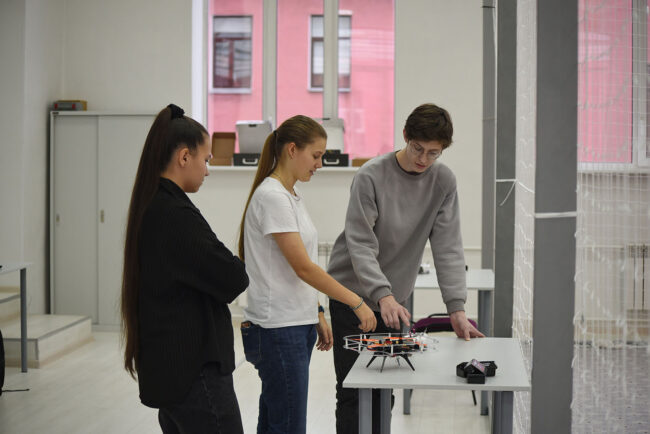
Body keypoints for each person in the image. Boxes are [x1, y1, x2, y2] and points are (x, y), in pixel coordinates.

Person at [327, 103, 485, 433]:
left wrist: (456, 309)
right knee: (354, 391)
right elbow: (361, 243)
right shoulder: (371, 176)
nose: (423, 159)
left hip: (393, 302)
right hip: (351, 295)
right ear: (405, 136)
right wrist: (382, 294)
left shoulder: (443, 181)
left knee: (384, 391)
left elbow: (448, 247)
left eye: (433, 153)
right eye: (417, 148)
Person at [238, 115, 377, 434]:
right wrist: (355, 301)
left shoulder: (290, 196)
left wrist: (316, 311)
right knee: (288, 425)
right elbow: (303, 267)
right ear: (292, 150)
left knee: (275, 421)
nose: (320, 164)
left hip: (293, 324)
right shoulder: (273, 197)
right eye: (316, 155)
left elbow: (295, 267)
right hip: (278, 329)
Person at [121, 104, 249, 433]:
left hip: (173, 370)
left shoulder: (154, 204)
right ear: (183, 157)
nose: (207, 171)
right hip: (194, 374)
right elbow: (233, 277)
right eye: (206, 160)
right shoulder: (174, 214)